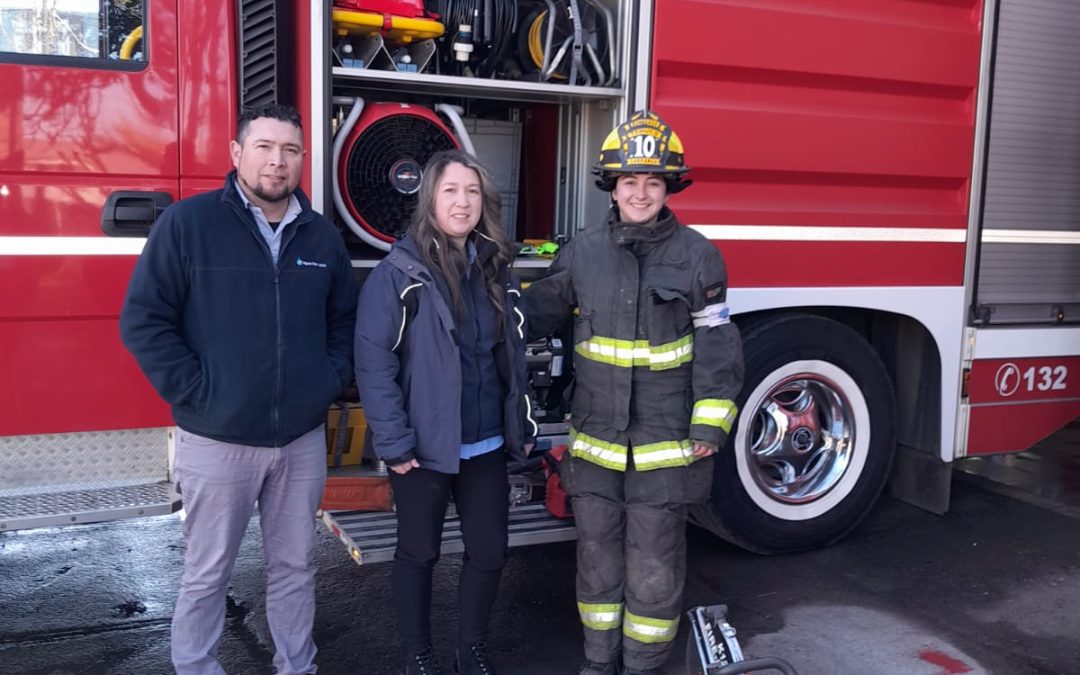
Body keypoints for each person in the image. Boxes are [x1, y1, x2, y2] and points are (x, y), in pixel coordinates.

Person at [119, 103, 358, 675]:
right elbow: (144, 320)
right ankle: (196, 666)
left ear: (303, 159)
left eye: (290, 151)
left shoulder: (321, 237)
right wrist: (200, 392)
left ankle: (297, 666)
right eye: (265, 147)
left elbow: (344, 323)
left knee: (295, 566)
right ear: (236, 153)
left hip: (298, 439)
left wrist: (323, 383)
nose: (277, 162)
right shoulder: (189, 224)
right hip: (217, 437)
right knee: (208, 571)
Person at [525, 110, 744, 675]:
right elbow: (535, 316)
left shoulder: (699, 257)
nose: (641, 193)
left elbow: (718, 345)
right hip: (596, 441)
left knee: (655, 563)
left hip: (665, 445)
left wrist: (708, 427)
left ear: (668, 186)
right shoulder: (581, 253)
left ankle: (644, 666)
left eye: (652, 182)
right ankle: (599, 664)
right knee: (596, 560)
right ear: (612, 187)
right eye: (630, 181)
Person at [354, 149, 537, 675]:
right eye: (452, 190)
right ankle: (418, 655)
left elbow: (513, 356)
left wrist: (518, 427)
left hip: (484, 442)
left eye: (473, 192)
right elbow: (373, 362)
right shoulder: (399, 273)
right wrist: (394, 442)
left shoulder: (496, 266)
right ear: (430, 196)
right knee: (418, 554)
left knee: (489, 552)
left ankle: (470, 650)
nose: (463, 202)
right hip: (423, 448)